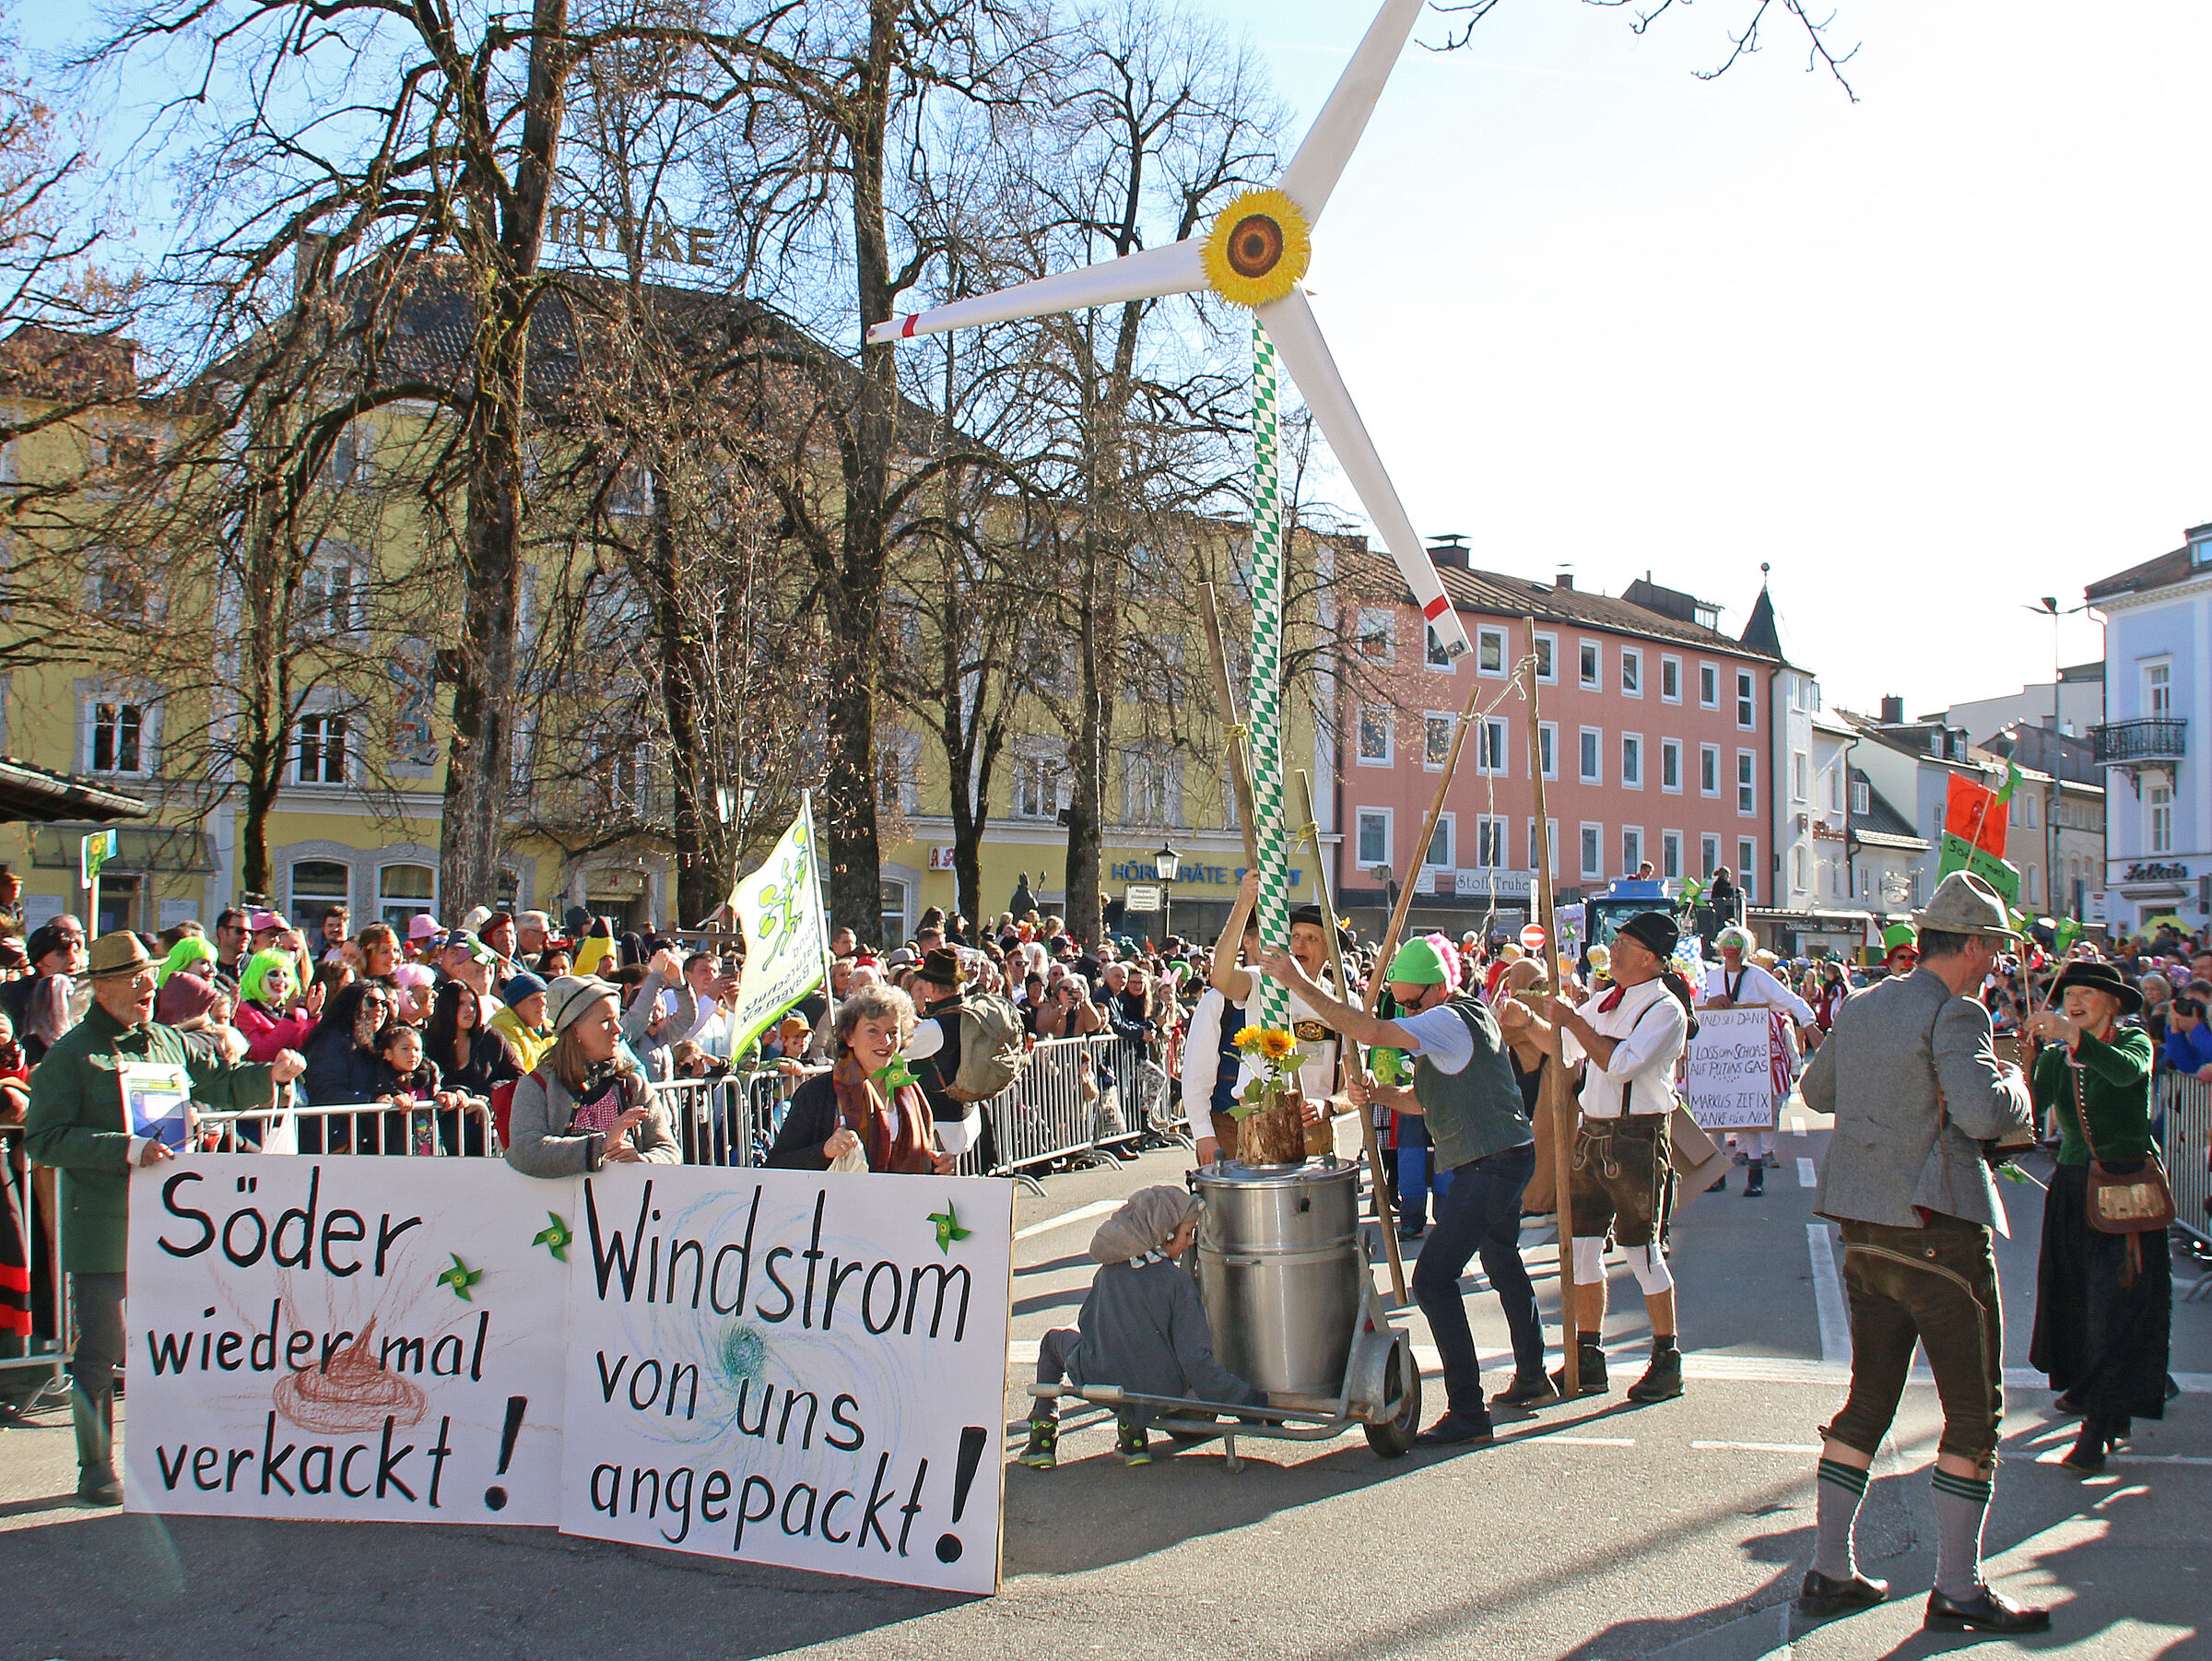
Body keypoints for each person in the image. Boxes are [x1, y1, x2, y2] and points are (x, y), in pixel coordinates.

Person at [1794, 871, 2047, 1635]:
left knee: (1870, 1398)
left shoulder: (1868, 1002)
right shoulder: (1958, 1013)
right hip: (1936, 1229)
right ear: (1971, 946)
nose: (1996, 963)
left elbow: (1815, 1090)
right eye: (1994, 949)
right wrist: (2017, 1084)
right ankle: (1958, 1587)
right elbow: (1980, 1112)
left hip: (1863, 1229)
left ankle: (1830, 1567)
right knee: (1975, 1412)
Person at [25, 931, 303, 1503]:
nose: (149, 985)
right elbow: (44, 1139)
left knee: (180, 1342)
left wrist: (269, 1075)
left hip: (174, 1222)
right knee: (101, 1349)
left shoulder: (167, 1044)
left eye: (149, 975)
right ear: (101, 988)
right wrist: (124, 1149)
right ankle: (95, 1467)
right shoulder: (71, 1056)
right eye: (134, 977)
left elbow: (221, 1084)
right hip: (104, 1219)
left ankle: (184, 1458)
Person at [1263, 935, 1549, 1443]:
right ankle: (1532, 1374)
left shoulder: (1446, 1019)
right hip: (1503, 1155)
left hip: (1491, 1164)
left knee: (1435, 1281)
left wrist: (1299, 982)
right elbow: (1425, 1097)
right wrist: (1379, 1095)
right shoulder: (1465, 1017)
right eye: (1403, 1003)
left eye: (1412, 1003)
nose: (1408, 1012)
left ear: (1438, 990)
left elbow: (1369, 1029)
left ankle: (1468, 1411)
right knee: (1502, 1258)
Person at [1499, 911, 1693, 1404]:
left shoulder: (1665, 1010)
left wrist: (1569, 1022)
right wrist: (1532, 1022)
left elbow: (1618, 1063)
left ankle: (1666, 1357)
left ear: (1649, 958)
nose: (1615, 951)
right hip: (1593, 1134)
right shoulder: (1610, 1000)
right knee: (1582, 1248)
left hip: (1637, 1138)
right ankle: (1589, 1355)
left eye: (1625, 945)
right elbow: (1561, 1049)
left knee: (1641, 1251)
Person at [2023, 960, 2169, 1477]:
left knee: (2116, 1303)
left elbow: (2127, 1073)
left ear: (2113, 1003)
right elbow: (2034, 1105)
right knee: (2073, 1298)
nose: (2075, 1001)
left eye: (2087, 993)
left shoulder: (2133, 1043)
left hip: (2125, 1189)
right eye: (2070, 994)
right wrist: (2028, 1062)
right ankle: (2096, 1394)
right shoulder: (2062, 1054)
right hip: (2071, 1186)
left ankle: (2102, 1419)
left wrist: (2074, 1041)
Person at [1018, 1185, 1265, 1469]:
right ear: (1166, 1234)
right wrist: (1249, 1403)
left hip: (1101, 1379)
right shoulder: (1178, 1283)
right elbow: (1196, 1362)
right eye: (1186, 1234)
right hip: (1160, 1390)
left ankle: (1042, 1438)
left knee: (1054, 1342)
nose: (1189, 1243)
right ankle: (1133, 1437)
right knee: (1148, 1354)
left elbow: (1089, 1325)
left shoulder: (1108, 1273)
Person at [766, 983, 955, 1174]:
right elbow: (777, 1164)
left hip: (903, 1202)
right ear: (849, 1036)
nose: (886, 1041)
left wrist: (939, 1166)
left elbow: (920, 1161)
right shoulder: (818, 1093)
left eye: (893, 1032)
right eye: (873, 1030)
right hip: (840, 1202)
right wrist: (824, 1151)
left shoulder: (912, 1092)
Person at [504, 975, 679, 1175]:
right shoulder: (537, 1085)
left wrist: (643, 1160)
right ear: (575, 1028)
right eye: (606, 1021)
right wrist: (602, 1146)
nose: (618, 1029)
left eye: (617, 1019)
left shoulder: (632, 1085)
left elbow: (670, 1151)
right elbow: (525, 1151)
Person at [1702, 925, 1817, 1196]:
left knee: (1748, 1113)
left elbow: (1787, 999)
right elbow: (1695, 1005)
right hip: (1718, 1055)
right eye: (1726, 941)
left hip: (1749, 1056)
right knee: (1717, 1114)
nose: (1731, 947)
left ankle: (1755, 1173)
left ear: (1745, 948)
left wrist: (1810, 1023)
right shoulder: (1712, 977)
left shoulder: (1757, 977)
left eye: (1736, 941)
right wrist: (1710, 1001)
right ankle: (1716, 1175)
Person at [489, 971, 555, 1073]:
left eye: (544, 997)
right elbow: (518, 1072)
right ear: (516, 1005)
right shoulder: (503, 1026)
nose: (543, 1003)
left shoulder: (550, 1027)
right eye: (534, 999)